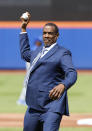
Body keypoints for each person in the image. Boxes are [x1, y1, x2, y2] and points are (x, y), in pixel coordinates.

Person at [19, 12, 77, 131]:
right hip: (34, 105)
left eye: (50, 33)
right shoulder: (37, 52)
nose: (46, 35)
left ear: (57, 36)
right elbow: (25, 54)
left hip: (51, 106)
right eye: (44, 33)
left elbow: (72, 73)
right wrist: (23, 29)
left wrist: (63, 85)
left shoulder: (62, 53)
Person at [17, 39, 43, 105]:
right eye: (38, 42)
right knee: (27, 85)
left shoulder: (39, 49)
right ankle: (21, 100)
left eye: (39, 42)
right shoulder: (36, 49)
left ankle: (25, 100)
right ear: (36, 42)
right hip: (31, 70)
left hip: (33, 70)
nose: (39, 43)